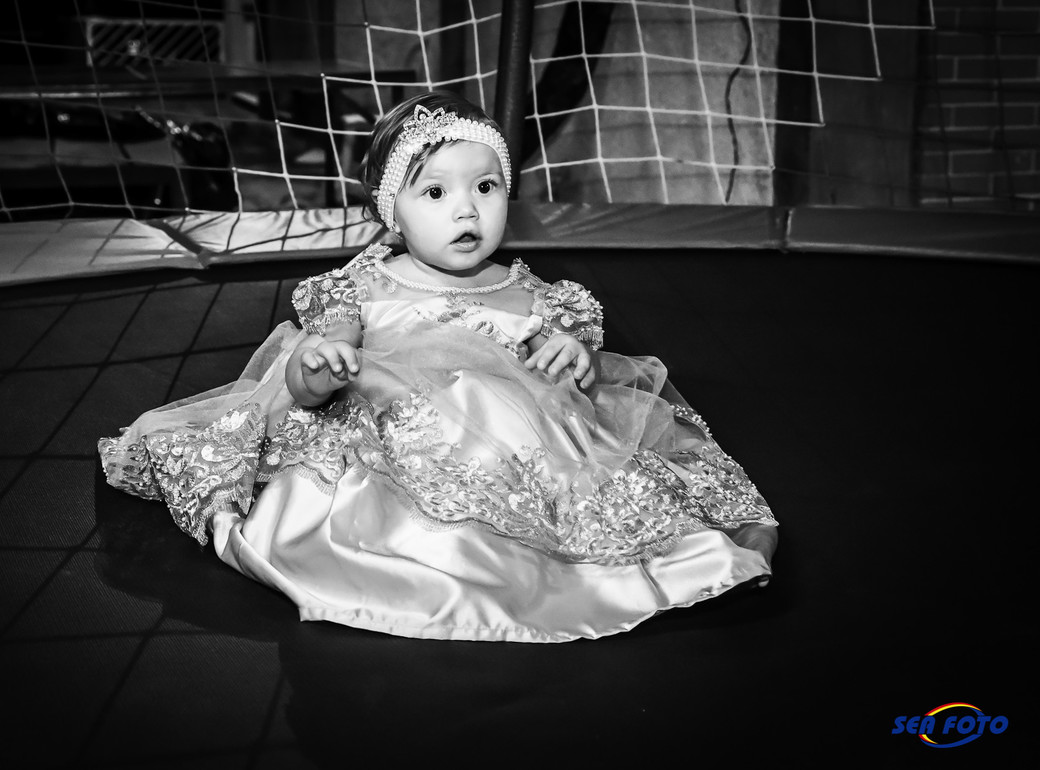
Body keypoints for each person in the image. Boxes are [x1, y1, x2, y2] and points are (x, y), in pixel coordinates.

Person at [99, 91, 778, 643]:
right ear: (390, 212)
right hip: (401, 440)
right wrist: (320, 368)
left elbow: (581, 379)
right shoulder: (362, 287)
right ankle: (434, 556)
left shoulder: (536, 296)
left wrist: (577, 356)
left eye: (486, 186)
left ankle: (553, 563)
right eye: (434, 193)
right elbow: (311, 375)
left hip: (520, 460)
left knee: (528, 433)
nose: (466, 209)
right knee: (384, 456)